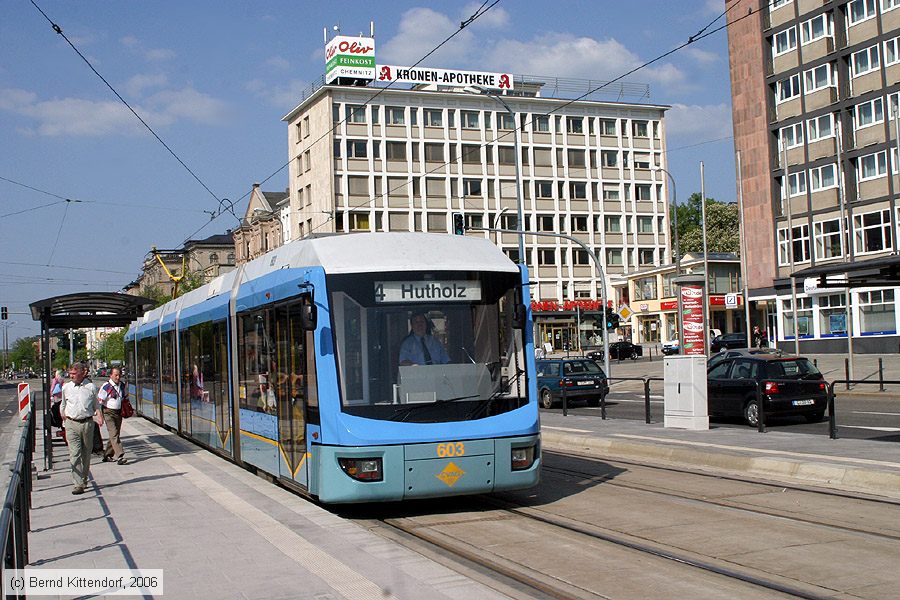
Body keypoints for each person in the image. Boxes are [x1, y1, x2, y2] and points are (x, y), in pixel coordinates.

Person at [59, 362, 103, 495]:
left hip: (87, 423)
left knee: (86, 454)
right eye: (70, 373)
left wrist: (99, 415)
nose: (70, 375)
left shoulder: (91, 387)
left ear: (81, 373)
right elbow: (63, 403)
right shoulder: (66, 387)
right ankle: (78, 483)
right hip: (71, 423)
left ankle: (84, 478)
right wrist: (63, 415)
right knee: (74, 454)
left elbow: (96, 404)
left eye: (73, 373)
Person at [97, 367, 128, 465]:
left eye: (119, 375)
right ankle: (120, 456)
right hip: (108, 412)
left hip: (118, 412)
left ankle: (107, 455)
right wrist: (99, 415)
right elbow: (100, 402)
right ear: (110, 375)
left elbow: (125, 397)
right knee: (114, 434)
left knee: (115, 435)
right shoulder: (106, 386)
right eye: (116, 375)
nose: (118, 377)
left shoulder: (122, 385)